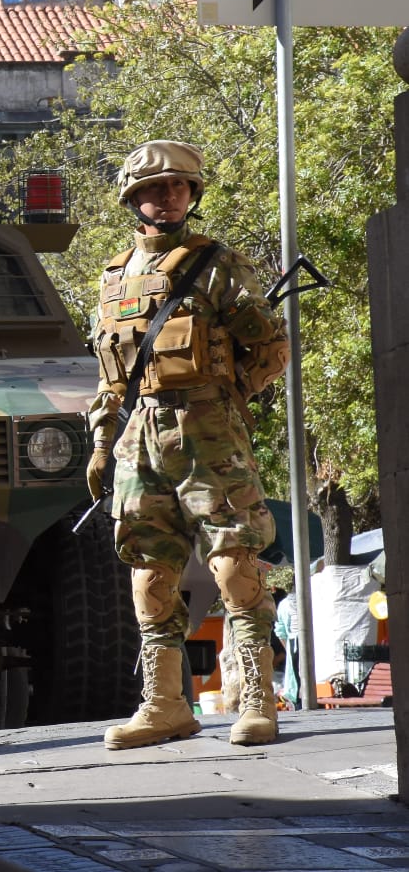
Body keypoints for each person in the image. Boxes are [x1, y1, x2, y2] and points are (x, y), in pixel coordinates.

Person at [86, 140, 289, 750]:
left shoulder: (218, 264)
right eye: (155, 188)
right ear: (134, 199)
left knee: (233, 559)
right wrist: (101, 441)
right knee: (148, 571)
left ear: (192, 195)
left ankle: (256, 700)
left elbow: (272, 347)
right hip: (140, 436)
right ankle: (164, 706)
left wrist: (228, 397)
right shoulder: (115, 275)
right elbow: (110, 372)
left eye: (179, 187)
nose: (168, 196)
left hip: (209, 431)